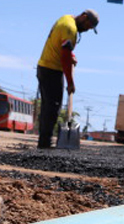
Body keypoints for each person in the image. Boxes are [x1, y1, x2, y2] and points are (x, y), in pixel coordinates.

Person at [36, 9, 100, 148]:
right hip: (52, 69)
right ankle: (44, 144)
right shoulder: (71, 29)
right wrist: (70, 82)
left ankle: (44, 141)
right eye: (88, 26)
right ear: (84, 17)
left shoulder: (65, 18)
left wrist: (70, 55)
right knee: (52, 108)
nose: (87, 30)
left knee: (49, 107)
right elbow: (64, 57)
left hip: (44, 67)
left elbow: (61, 47)